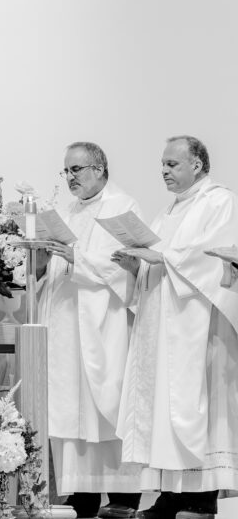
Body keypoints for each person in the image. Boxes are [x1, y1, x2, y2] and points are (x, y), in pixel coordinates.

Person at [113, 136, 238, 519]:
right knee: (163, 411)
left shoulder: (219, 201)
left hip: (198, 328)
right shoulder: (168, 212)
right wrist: (137, 266)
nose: (164, 171)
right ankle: (171, 494)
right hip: (164, 325)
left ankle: (202, 500)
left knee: (194, 409)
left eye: (172, 164)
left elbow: (216, 257)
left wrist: (161, 256)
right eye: (163, 164)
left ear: (197, 165)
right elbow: (161, 260)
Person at [37, 143, 142, 519]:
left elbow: (125, 266)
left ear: (99, 169)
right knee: (70, 413)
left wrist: (76, 257)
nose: (70, 178)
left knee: (106, 409)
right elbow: (55, 270)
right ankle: (82, 497)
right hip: (67, 328)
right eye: (66, 171)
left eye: (77, 169)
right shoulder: (68, 212)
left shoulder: (122, 207)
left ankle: (123, 497)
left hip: (103, 327)